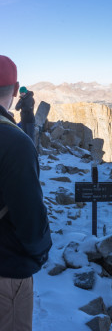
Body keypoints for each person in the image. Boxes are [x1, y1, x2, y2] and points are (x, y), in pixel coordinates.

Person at [0, 55, 52, 331]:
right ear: (16, 88)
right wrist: (41, 254)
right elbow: (31, 220)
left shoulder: (13, 141)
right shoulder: (14, 144)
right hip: (6, 271)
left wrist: (27, 117)